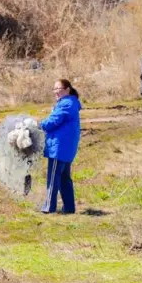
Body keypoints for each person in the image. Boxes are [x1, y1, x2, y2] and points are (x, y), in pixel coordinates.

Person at [40, 78, 81, 215]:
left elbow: (53, 121)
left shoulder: (66, 104)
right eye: (54, 89)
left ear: (67, 89)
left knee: (53, 178)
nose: (56, 92)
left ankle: (49, 207)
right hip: (66, 148)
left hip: (59, 148)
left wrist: (39, 125)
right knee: (64, 178)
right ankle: (69, 208)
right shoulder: (71, 102)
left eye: (59, 89)